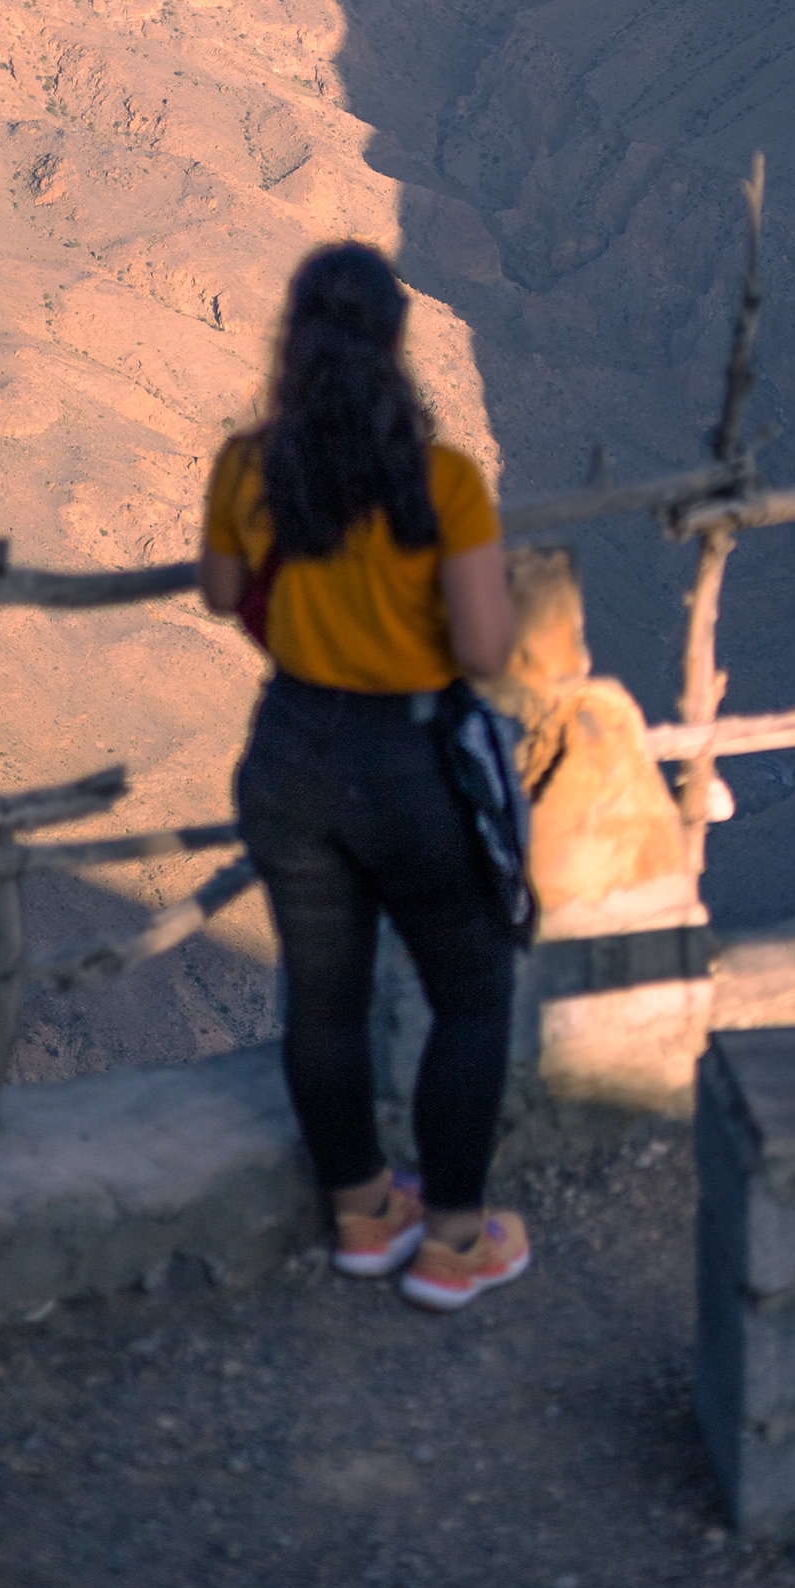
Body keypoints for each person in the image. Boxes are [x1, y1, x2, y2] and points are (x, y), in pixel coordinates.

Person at [200, 241, 527, 1313]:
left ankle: (362, 1215)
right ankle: (455, 1241)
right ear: (394, 344)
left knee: (324, 998)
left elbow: (220, 594)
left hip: (291, 751)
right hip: (410, 762)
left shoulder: (248, 467)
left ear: (293, 343)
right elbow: (485, 648)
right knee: (471, 996)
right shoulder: (445, 484)